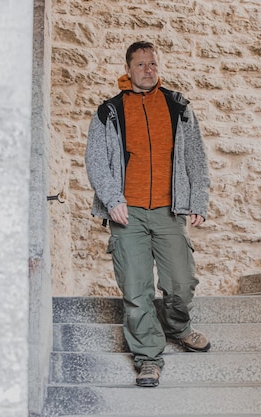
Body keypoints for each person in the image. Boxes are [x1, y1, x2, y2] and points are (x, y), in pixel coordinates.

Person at [85, 41, 211, 388]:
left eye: (153, 63)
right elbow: (96, 162)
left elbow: (196, 158)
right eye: (140, 64)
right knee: (136, 291)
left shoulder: (178, 107)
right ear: (128, 69)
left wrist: (198, 200)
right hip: (128, 214)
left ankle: (178, 327)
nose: (147, 69)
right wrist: (112, 200)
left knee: (181, 284)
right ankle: (148, 358)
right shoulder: (109, 112)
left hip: (170, 210)